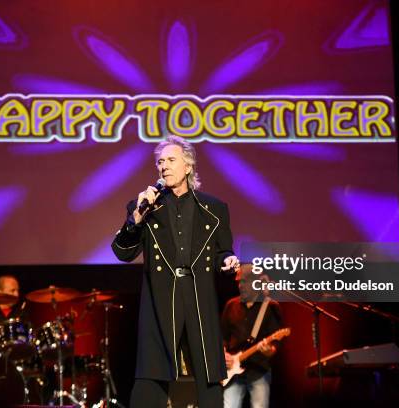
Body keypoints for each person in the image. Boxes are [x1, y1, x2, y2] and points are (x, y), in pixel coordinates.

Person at [112, 135, 240, 408]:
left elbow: (222, 252)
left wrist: (227, 261)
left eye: (171, 160)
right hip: (161, 297)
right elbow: (122, 252)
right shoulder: (145, 207)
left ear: (188, 166)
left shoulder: (214, 209)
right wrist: (135, 219)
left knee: (208, 373)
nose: (164, 166)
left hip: (198, 295)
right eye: (160, 161)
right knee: (152, 373)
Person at [221, 264, 283, 408]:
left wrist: (269, 350)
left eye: (245, 281)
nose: (241, 285)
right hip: (233, 372)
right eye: (239, 282)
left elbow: (276, 344)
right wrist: (223, 355)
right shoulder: (231, 305)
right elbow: (222, 337)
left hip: (259, 370)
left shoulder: (271, 306)